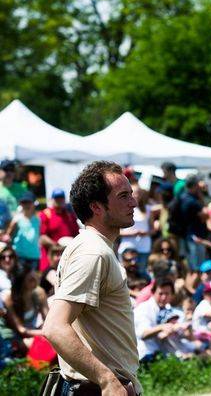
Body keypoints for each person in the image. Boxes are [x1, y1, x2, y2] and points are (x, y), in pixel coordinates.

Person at [42, 161, 142, 395]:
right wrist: (107, 380)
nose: (133, 202)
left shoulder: (95, 247)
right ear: (97, 207)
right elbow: (55, 327)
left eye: (131, 194)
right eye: (123, 196)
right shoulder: (93, 252)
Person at [133, 279, 179, 361]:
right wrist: (162, 327)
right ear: (153, 293)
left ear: (172, 295)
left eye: (167, 294)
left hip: (160, 354)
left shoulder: (168, 309)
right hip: (144, 356)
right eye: (160, 293)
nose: (164, 297)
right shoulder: (144, 308)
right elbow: (143, 334)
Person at [38, 188, 80, 271]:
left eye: (61, 198)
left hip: (68, 258)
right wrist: (57, 245)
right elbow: (42, 238)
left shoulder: (70, 215)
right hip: (51, 259)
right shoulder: (46, 214)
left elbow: (77, 234)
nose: (59, 200)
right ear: (52, 200)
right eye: (56, 198)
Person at [176, 175, 209, 272]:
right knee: (197, 268)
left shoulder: (182, 196)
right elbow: (205, 215)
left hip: (187, 235)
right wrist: (201, 195)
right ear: (195, 186)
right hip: (195, 237)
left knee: (194, 267)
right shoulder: (192, 201)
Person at [119, 188, 154, 277]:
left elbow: (153, 230)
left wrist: (145, 233)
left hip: (143, 246)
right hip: (127, 245)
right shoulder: (122, 209)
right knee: (124, 272)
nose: (136, 196)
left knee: (141, 272)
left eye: (138, 193)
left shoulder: (148, 209)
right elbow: (118, 231)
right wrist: (133, 233)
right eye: (134, 193)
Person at [3, 192, 41, 270]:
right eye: (24, 202)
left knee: (32, 279)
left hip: (34, 255)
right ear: (21, 204)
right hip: (20, 256)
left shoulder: (38, 219)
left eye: (29, 202)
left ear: (33, 203)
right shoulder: (17, 219)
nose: (26, 205)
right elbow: (8, 235)